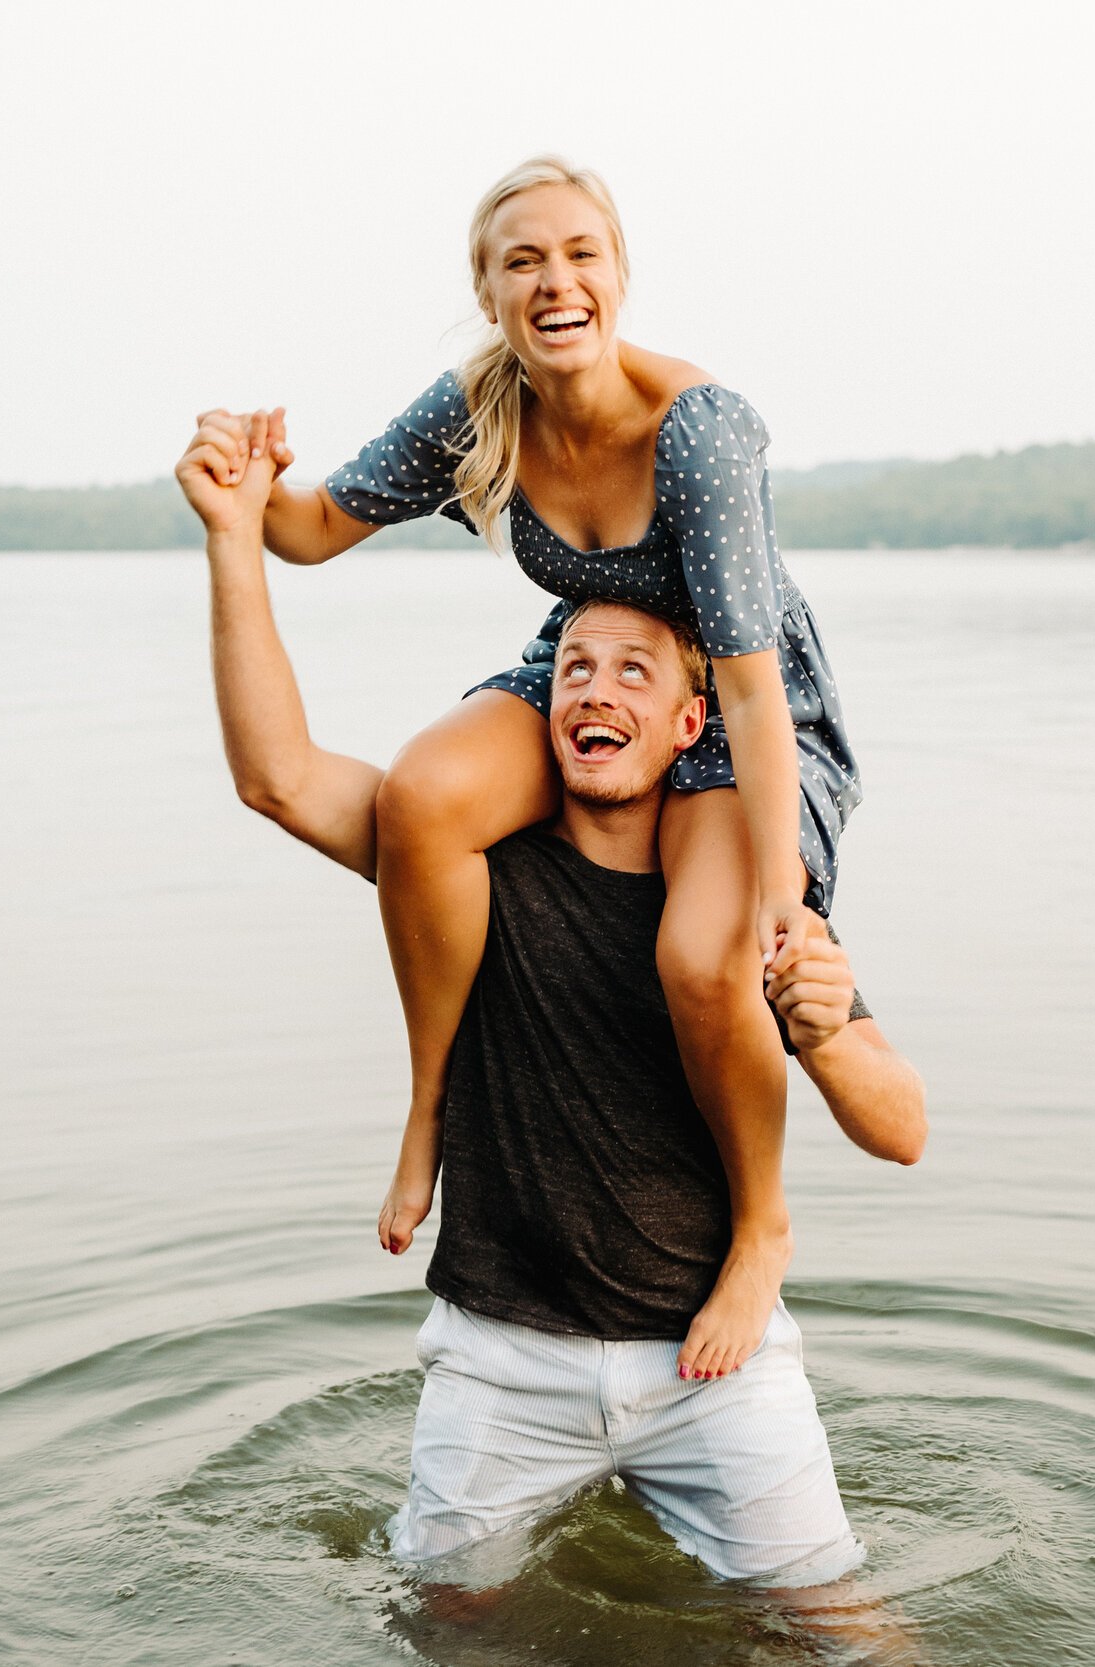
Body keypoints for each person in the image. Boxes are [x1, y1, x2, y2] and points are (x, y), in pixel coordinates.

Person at [176, 425, 926, 1595]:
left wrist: (827, 1037)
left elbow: (902, 1130)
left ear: (690, 727)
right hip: (501, 1355)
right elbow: (276, 774)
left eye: (636, 671)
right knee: (448, 1617)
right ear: (541, 708)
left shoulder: (730, 910)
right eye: (575, 666)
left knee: (841, 1623)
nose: (597, 687)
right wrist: (235, 537)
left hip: (716, 1367)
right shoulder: (477, 876)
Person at [181, 155, 858, 1379]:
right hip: (589, 665)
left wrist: (781, 901)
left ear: (618, 274)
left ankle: (761, 1224)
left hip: (729, 693)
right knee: (423, 797)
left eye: (580, 254)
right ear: (488, 293)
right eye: (522, 261)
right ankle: (429, 1102)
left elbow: (751, 690)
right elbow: (312, 530)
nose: (556, 281)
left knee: (701, 955)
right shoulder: (481, 404)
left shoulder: (697, 432)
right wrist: (247, 481)